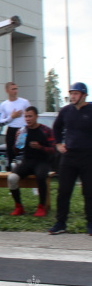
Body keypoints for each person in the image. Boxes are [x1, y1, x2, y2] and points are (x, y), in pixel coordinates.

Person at [49, 82, 92, 235]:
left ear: (84, 95)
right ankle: (60, 223)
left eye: (76, 94)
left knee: (89, 191)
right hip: (69, 156)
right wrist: (59, 144)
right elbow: (56, 127)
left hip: (88, 157)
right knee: (63, 191)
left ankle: (90, 223)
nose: (72, 97)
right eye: (71, 94)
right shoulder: (66, 110)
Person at [8, 106, 54, 218]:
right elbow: (15, 150)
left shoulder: (46, 130)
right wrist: (17, 141)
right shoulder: (23, 131)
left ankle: (41, 206)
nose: (28, 119)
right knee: (11, 178)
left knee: (40, 176)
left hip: (43, 161)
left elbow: (53, 150)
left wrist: (40, 147)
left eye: (30, 116)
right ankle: (19, 206)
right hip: (27, 161)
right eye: (26, 116)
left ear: (36, 117)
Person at [0, 82, 30, 171]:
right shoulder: (4, 105)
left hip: (23, 130)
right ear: (7, 91)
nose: (15, 91)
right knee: (11, 154)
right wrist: (12, 117)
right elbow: (0, 122)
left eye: (16, 89)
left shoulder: (24, 102)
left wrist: (26, 128)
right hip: (11, 130)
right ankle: (12, 173)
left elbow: (31, 116)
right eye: (13, 89)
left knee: (25, 153)